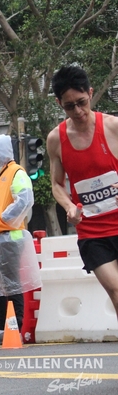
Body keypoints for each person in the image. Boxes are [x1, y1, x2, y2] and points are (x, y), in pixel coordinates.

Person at [48, 65, 118, 322]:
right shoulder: (56, 139)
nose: (78, 111)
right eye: (69, 106)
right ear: (59, 104)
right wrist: (69, 206)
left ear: (90, 93)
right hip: (93, 232)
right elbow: (57, 184)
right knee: (115, 289)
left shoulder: (112, 127)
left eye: (81, 102)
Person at [0, 135, 41, 346]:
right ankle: (0, 329)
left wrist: (5, 219)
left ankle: (15, 328)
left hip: (8, 238)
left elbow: (25, 200)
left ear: (1, 151)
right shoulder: (0, 175)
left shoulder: (16, 172)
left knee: (11, 286)